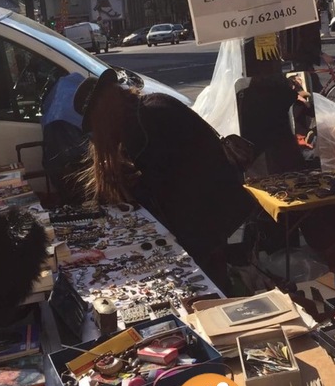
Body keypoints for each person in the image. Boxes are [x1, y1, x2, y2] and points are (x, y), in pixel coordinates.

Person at [73, 69, 256, 292]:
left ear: (101, 115)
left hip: (204, 208)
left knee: (208, 282)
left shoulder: (142, 124)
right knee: (212, 270)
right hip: (212, 201)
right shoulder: (150, 104)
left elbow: (163, 186)